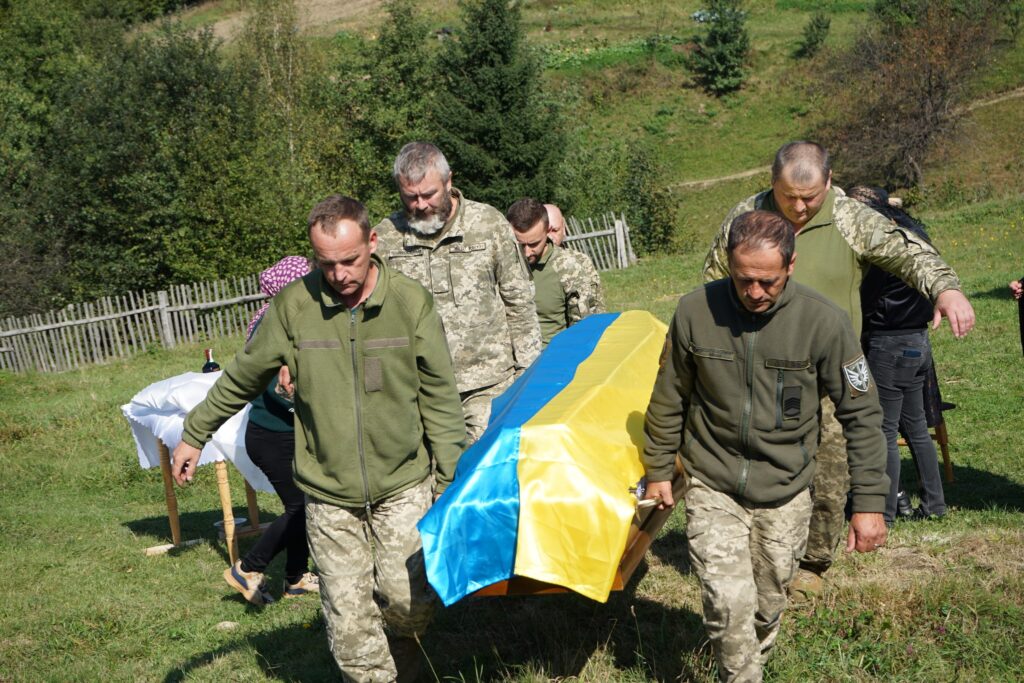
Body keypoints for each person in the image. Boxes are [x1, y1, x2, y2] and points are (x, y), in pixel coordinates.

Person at [172, 195, 466, 681]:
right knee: (350, 631)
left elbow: (440, 396)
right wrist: (195, 433)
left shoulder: (410, 303)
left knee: (408, 602)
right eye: (326, 264)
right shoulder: (293, 308)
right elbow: (244, 375)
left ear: (372, 242)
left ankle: (402, 653)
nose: (340, 274)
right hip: (327, 491)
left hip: (403, 481)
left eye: (350, 260)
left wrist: (451, 480)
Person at [702, 141, 974, 596]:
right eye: (790, 197)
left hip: (829, 371)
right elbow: (712, 284)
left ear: (829, 182)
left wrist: (945, 288)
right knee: (758, 467)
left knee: (831, 471)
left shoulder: (848, 217)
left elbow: (908, 252)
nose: (801, 207)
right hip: (759, 372)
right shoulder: (746, 217)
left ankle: (813, 563)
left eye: (810, 197)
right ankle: (758, 554)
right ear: (773, 184)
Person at [645, 210, 888, 683]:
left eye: (768, 281)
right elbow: (669, 394)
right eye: (743, 280)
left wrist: (870, 503)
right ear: (729, 267)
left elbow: (863, 414)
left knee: (766, 603)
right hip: (713, 479)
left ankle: (743, 658)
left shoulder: (825, 323)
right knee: (727, 601)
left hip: (787, 487)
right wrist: (658, 469)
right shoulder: (695, 312)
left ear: (791, 266)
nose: (755, 292)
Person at [374, 142, 542, 443]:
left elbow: (519, 303)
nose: (421, 205)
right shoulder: (386, 238)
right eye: (410, 197)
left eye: (429, 194)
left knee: (485, 477)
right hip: (420, 393)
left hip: (490, 387)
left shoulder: (488, 224)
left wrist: (527, 380)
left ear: (449, 181)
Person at [847, 186, 948, 525]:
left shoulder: (882, 249)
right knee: (916, 427)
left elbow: (866, 298)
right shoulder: (914, 235)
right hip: (918, 341)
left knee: (884, 430)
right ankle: (934, 505)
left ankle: (886, 512)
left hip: (888, 342)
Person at [225, 255, 318, 606]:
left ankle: (295, 578)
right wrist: (311, 417)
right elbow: (274, 393)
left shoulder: (287, 318)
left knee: (304, 504)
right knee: (303, 506)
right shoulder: (271, 325)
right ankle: (248, 568)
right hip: (271, 436)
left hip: (283, 433)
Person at [506, 197, 605, 345]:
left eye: (534, 244)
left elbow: (583, 329)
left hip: (551, 360)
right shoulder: (503, 264)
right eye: (520, 244)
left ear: (547, 232)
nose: (527, 252)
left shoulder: (569, 269)